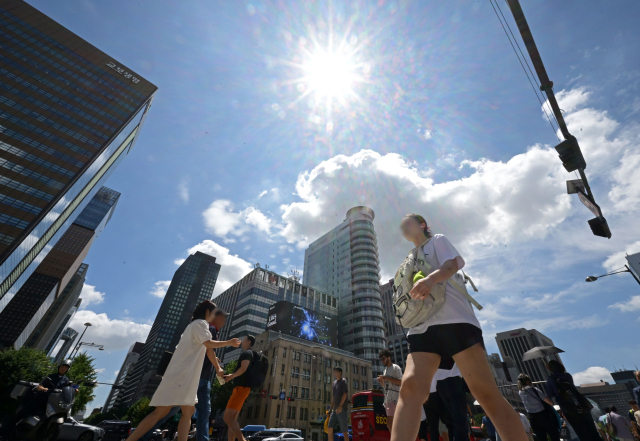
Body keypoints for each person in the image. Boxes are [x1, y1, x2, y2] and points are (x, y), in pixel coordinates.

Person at [390, 214, 527, 441]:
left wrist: (430, 280)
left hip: (454, 320)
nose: (403, 226)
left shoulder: (437, 241)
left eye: (408, 222)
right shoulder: (409, 257)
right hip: (421, 326)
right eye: (401, 225)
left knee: (485, 393)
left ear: (423, 225)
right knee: (411, 389)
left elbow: (453, 264)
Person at [125, 300, 241, 441]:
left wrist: (218, 368)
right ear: (207, 312)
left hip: (182, 375)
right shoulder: (200, 324)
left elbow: (208, 350)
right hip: (184, 376)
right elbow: (209, 344)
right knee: (163, 412)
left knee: (185, 411)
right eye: (214, 313)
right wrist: (229, 343)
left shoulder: (193, 326)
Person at [545, 360, 601, 441]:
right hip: (581, 404)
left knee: (582, 433)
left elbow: (550, 394)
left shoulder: (551, 378)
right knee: (593, 431)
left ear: (550, 368)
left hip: (569, 409)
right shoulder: (568, 375)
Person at [196, 309, 229, 441]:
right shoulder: (211, 328)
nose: (225, 320)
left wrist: (215, 360)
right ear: (215, 317)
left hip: (204, 378)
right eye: (223, 317)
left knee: (205, 411)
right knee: (173, 407)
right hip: (198, 376)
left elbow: (208, 350)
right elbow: (208, 348)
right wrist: (217, 368)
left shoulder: (213, 330)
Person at [223, 335, 256, 441]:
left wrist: (231, 376)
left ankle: (242, 440)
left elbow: (243, 368)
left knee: (227, 418)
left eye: (244, 340)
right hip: (242, 388)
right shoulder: (250, 353)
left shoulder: (247, 353)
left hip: (241, 388)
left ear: (249, 342)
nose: (242, 341)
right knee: (232, 419)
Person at [517, 373, 560, 441]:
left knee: (541, 438)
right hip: (543, 415)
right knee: (554, 435)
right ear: (528, 381)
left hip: (532, 418)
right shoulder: (535, 390)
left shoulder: (520, 392)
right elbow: (549, 402)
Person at [377, 349, 403, 432]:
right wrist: (382, 382)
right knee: (393, 425)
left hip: (395, 399)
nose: (382, 361)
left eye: (383, 358)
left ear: (389, 357)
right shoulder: (385, 371)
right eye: (381, 359)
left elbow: (401, 382)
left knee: (391, 424)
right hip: (388, 399)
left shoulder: (396, 367)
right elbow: (386, 387)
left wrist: (386, 378)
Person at [327, 367, 350, 441]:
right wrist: (330, 409)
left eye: (336, 371)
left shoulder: (343, 381)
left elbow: (345, 394)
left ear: (340, 372)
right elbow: (333, 397)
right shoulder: (334, 383)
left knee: (344, 431)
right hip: (334, 410)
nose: (334, 373)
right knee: (329, 428)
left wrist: (340, 406)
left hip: (342, 409)